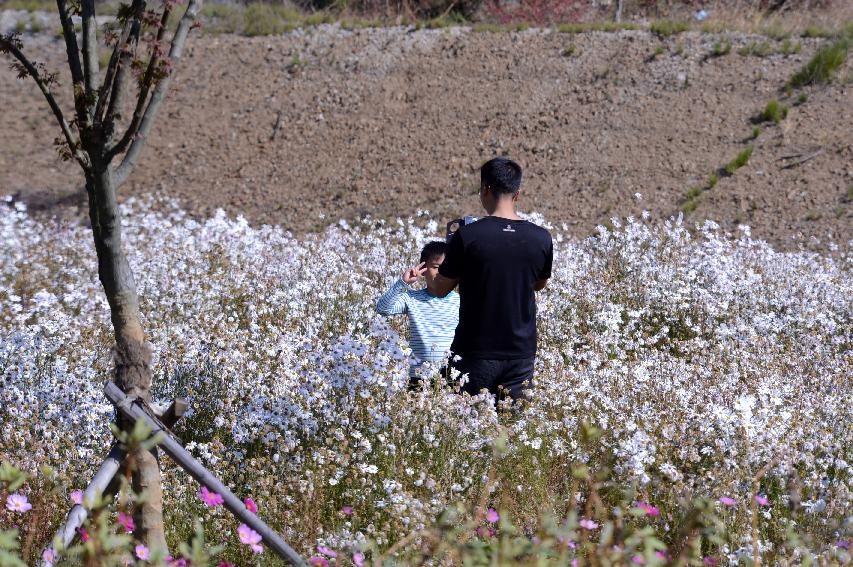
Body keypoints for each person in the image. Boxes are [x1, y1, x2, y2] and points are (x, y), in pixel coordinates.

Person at [431, 157, 553, 403]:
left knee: (463, 427)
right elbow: (538, 284)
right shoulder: (541, 238)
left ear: (485, 189)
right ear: (517, 194)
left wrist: (431, 272)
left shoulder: (468, 236)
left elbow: (441, 290)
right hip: (521, 354)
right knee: (513, 432)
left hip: (475, 352)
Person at [376, 241, 460, 389]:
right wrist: (403, 283)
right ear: (423, 268)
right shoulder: (412, 298)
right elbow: (383, 308)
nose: (441, 272)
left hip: (449, 376)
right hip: (418, 376)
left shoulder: (459, 301)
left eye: (446, 268)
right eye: (435, 267)